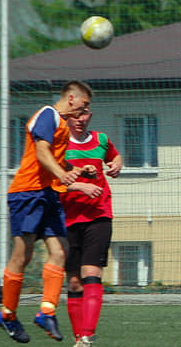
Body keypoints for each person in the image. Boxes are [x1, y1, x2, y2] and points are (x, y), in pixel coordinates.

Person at [0, 81, 93, 344]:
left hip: (49, 195)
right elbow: (41, 152)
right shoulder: (48, 114)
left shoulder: (61, 123)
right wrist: (64, 175)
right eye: (83, 105)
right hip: (27, 193)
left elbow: (55, 158)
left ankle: (46, 312)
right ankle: (7, 315)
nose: (84, 112)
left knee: (61, 251)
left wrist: (76, 169)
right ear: (71, 98)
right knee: (22, 256)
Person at [61, 109, 122, 347]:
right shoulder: (57, 146)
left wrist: (116, 165)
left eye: (84, 114)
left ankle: (87, 337)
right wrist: (80, 187)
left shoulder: (102, 140)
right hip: (67, 219)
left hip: (99, 215)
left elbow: (115, 157)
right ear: (67, 115)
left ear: (90, 115)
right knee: (74, 282)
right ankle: (79, 338)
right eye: (75, 114)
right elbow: (51, 183)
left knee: (91, 273)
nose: (80, 119)